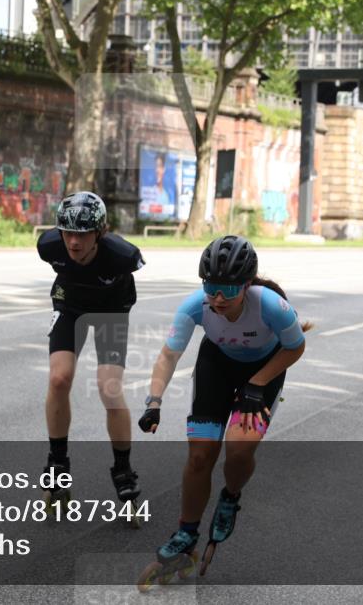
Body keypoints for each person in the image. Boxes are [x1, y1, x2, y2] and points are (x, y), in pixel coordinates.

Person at [137, 235, 309, 582]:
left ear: (246, 285)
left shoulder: (270, 305)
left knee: (239, 449)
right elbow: (168, 355)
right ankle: (186, 533)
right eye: (211, 286)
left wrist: (257, 385)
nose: (217, 298)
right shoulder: (194, 307)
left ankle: (230, 496)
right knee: (200, 456)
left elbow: (295, 347)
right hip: (217, 364)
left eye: (227, 290)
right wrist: (154, 401)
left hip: (265, 369)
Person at [37, 191, 146, 509]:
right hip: (70, 305)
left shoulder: (123, 256)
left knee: (109, 388)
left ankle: (123, 470)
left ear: (99, 233)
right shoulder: (48, 246)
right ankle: (58, 463)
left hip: (111, 310)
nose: (73, 242)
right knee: (59, 379)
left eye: (82, 234)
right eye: (68, 232)